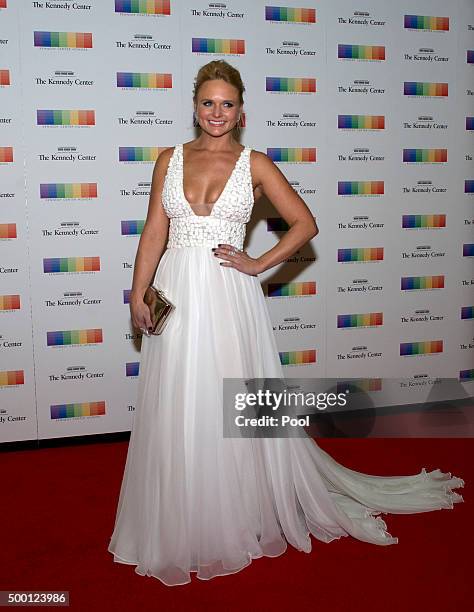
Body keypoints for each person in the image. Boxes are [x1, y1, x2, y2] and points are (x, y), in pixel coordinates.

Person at [108, 60, 465, 587]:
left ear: (242, 111)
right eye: (208, 102)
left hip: (229, 296)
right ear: (194, 106)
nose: (217, 112)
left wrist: (257, 263)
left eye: (227, 104)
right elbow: (153, 232)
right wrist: (137, 293)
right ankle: (181, 515)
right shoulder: (169, 160)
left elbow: (305, 223)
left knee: (227, 400)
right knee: (179, 400)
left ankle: (238, 514)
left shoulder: (255, 163)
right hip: (177, 291)